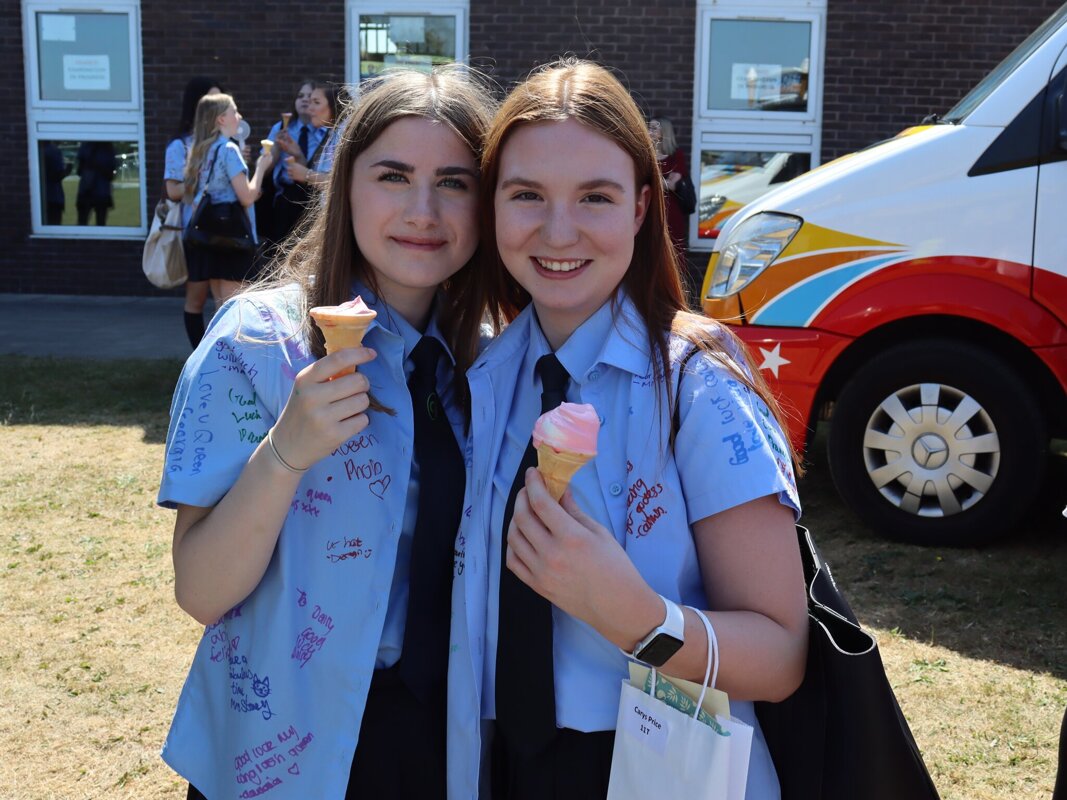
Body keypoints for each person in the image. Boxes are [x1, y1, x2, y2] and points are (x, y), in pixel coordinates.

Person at [447, 59, 808, 800]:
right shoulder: (482, 377)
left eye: (594, 197)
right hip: (496, 762)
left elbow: (780, 654)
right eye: (526, 196)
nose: (558, 230)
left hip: (654, 766)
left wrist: (638, 619)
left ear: (642, 208)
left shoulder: (696, 384)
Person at [157, 66, 495, 799]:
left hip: (451, 744)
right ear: (346, 187)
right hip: (284, 751)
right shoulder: (256, 344)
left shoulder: (495, 365)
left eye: (455, 182)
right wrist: (283, 455)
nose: (423, 210)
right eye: (393, 176)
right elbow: (201, 592)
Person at [182, 93, 270, 305]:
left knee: (221, 306)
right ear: (221, 119)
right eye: (234, 111)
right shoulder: (228, 149)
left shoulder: (202, 150)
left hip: (211, 237)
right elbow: (247, 197)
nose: (239, 116)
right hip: (234, 239)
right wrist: (261, 167)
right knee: (236, 310)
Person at [165, 76, 222, 347]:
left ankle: (225, 361)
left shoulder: (227, 141)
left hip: (227, 231)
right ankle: (197, 359)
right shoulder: (181, 145)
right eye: (211, 101)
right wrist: (200, 176)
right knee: (197, 298)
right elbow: (173, 190)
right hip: (197, 233)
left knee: (226, 301)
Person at [263, 79, 326, 244]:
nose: (305, 100)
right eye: (300, 96)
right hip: (285, 199)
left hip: (312, 199)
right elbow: (263, 169)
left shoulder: (326, 132)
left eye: (311, 97)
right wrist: (276, 146)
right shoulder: (281, 129)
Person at [282, 82, 345, 189]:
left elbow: (343, 182)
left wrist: (307, 175)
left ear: (334, 104)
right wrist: (298, 154)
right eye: (310, 102)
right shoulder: (332, 132)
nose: (309, 108)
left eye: (316, 102)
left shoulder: (345, 134)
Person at [650, 116, 691, 271]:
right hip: (650, 208)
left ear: (664, 132)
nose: (650, 131)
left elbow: (673, 185)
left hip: (671, 211)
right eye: (649, 127)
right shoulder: (647, 155)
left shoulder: (676, 156)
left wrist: (653, 181)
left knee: (674, 251)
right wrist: (663, 182)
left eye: (654, 128)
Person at [75, 141, 116, 225]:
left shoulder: (85, 146)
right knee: (100, 223)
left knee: (82, 223)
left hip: (87, 190)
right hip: (101, 191)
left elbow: (79, 171)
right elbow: (110, 175)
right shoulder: (108, 149)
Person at [41, 142, 71, 225]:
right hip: (53, 196)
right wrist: (67, 171)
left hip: (41, 196)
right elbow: (56, 176)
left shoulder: (40, 149)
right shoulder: (53, 151)